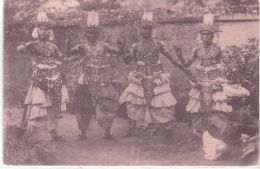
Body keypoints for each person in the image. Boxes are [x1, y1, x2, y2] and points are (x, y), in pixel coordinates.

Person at [119, 12, 193, 137]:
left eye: (148, 28)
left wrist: (182, 67)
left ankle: (168, 129)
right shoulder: (136, 46)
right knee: (133, 102)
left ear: (152, 30)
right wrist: (121, 50)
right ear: (140, 30)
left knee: (162, 103)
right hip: (139, 76)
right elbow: (127, 60)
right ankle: (132, 129)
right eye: (143, 28)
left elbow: (171, 58)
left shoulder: (158, 44)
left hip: (157, 76)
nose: (146, 30)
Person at [66, 11, 125, 140]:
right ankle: (82, 133)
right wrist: (68, 44)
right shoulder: (81, 46)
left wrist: (121, 47)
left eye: (94, 33)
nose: (91, 35)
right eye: (89, 33)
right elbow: (68, 54)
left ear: (97, 34)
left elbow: (118, 52)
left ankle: (107, 132)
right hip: (86, 79)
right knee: (82, 107)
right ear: (85, 33)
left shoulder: (103, 45)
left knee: (106, 105)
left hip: (101, 78)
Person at [17, 12, 69, 140]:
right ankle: (29, 135)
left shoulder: (53, 46)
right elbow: (19, 49)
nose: (44, 32)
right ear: (37, 30)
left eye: (46, 29)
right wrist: (25, 46)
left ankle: (54, 133)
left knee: (54, 107)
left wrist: (68, 50)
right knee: (37, 107)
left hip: (55, 78)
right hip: (40, 80)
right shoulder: (32, 45)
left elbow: (62, 58)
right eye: (41, 29)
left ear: (49, 31)